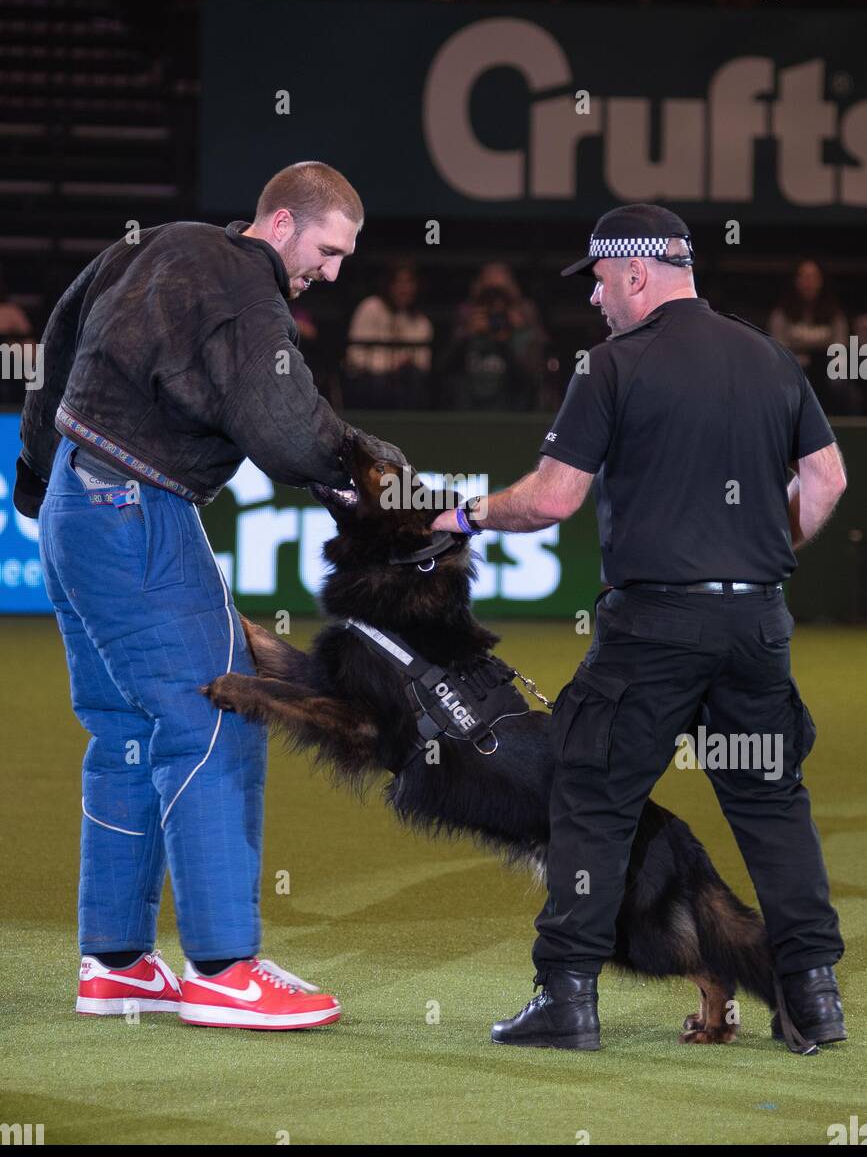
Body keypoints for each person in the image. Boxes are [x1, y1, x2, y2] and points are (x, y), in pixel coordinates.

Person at [433, 203, 847, 1052]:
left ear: (632, 272)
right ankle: (811, 1000)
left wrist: (461, 519)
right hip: (754, 625)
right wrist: (765, 546)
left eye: (595, 280)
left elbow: (552, 498)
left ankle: (567, 1000)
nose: (592, 300)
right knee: (770, 806)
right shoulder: (768, 356)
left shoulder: (611, 365)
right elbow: (828, 479)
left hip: (653, 628)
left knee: (590, 798)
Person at [15, 161, 406, 1031]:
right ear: (281, 224)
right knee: (218, 710)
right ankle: (226, 969)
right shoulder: (248, 287)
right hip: (139, 508)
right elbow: (283, 427)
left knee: (124, 729)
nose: (332, 273)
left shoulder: (155, 244)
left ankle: (116, 965)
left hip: (78, 506)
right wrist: (360, 462)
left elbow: (57, 340)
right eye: (329, 250)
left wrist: (38, 471)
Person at [343, 260, 432, 408]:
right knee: (378, 384)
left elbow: (423, 364)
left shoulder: (421, 322)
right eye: (399, 282)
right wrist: (388, 366)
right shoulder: (370, 308)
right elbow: (355, 355)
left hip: (404, 382)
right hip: (369, 379)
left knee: (413, 380)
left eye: (409, 283)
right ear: (389, 285)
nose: (404, 288)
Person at [768, 259, 852, 414]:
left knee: (839, 380)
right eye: (804, 277)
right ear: (795, 280)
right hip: (795, 367)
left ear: (821, 281)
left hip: (827, 368)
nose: (808, 282)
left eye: (813, 277)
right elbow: (778, 349)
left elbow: (841, 347)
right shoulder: (782, 313)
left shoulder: (834, 312)